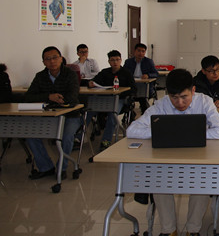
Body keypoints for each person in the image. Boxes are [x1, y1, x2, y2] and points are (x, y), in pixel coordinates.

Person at [126, 69, 219, 236]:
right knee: (158, 181)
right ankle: (168, 231)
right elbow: (131, 130)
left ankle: (193, 230)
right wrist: (163, 132)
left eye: (184, 97)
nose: (180, 103)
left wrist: (181, 133)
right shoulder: (161, 104)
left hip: (198, 160)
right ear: (168, 94)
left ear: (193, 90)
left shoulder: (205, 102)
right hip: (168, 160)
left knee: (203, 183)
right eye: (174, 98)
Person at [24, 46, 80, 179]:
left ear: (61, 59)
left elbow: (73, 96)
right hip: (48, 115)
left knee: (66, 137)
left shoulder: (70, 74)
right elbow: (28, 97)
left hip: (70, 115)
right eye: (48, 59)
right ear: (43, 62)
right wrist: (49, 97)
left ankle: (62, 167)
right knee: (29, 134)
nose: (52, 61)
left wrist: (58, 99)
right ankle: (46, 167)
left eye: (55, 57)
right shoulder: (40, 76)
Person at [88, 50, 137, 150]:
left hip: (120, 99)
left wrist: (120, 92)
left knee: (112, 115)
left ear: (121, 60)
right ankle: (78, 138)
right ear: (109, 61)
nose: (115, 62)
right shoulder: (104, 72)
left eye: (117, 60)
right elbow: (94, 81)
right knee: (88, 111)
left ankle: (106, 141)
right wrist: (91, 83)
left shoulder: (126, 73)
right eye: (113, 60)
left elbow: (133, 89)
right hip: (104, 99)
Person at [123, 43, 158, 112]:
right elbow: (123, 73)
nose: (140, 53)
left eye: (143, 51)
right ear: (134, 51)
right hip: (132, 85)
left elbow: (156, 73)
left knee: (143, 96)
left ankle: (144, 112)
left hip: (145, 86)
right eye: (138, 51)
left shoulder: (149, 61)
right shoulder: (128, 62)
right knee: (127, 96)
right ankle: (131, 112)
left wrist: (148, 75)